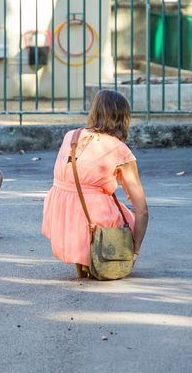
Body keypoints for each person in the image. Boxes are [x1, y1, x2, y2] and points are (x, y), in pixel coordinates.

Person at [42, 90, 149, 278]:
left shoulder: (71, 136)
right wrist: (135, 249)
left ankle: (81, 259)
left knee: (89, 198)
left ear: (94, 112)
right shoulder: (119, 149)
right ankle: (106, 257)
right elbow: (142, 209)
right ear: (123, 118)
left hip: (58, 211)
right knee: (131, 218)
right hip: (91, 213)